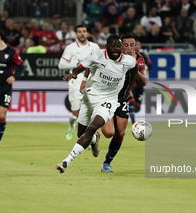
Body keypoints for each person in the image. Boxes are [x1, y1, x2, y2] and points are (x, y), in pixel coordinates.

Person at [56, 34, 138, 173]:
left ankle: (66, 162)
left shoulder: (128, 60)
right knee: (81, 133)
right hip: (90, 98)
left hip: (108, 101)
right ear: (106, 46)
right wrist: (74, 73)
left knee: (93, 126)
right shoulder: (97, 55)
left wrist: (129, 89)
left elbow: (134, 68)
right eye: (112, 46)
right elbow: (81, 66)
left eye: (118, 46)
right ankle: (94, 139)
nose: (115, 49)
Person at [100, 33, 147, 173]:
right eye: (125, 45)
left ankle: (106, 163)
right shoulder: (112, 55)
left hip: (122, 97)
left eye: (132, 45)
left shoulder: (138, 57)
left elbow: (144, 81)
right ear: (120, 46)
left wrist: (134, 66)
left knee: (120, 133)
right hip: (107, 95)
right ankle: (94, 130)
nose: (129, 48)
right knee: (109, 133)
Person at [58, 25, 100, 141]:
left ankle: (89, 139)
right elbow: (61, 65)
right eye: (79, 32)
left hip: (91, 82)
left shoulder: (94, 47)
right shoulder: (71, 48)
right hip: (76, 82)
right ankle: (72, 125)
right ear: (76, 34)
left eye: (84, 31)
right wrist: (78, 64)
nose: (82, 34)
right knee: (75, 114)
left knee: (92, 113)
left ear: (87, 33)